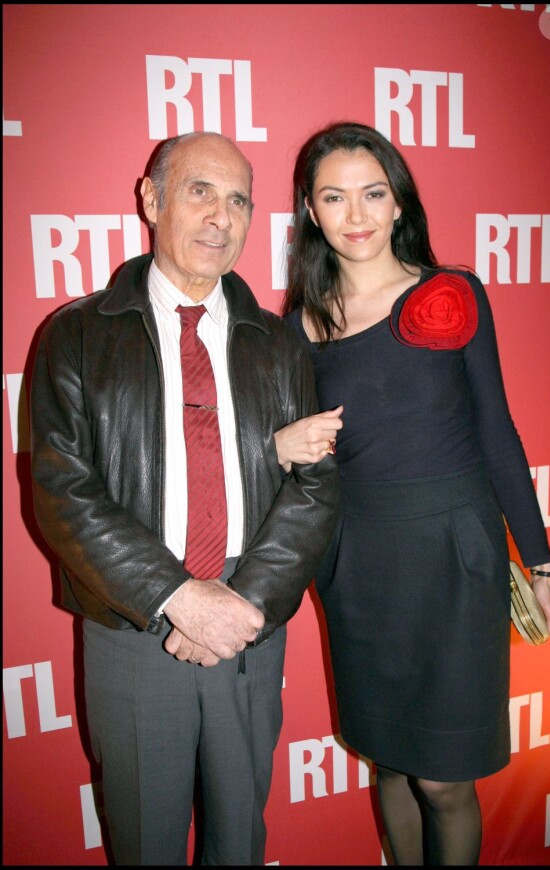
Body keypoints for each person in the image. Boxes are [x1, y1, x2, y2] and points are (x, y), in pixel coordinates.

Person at [30, 131, 341, 866]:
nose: (220, 216)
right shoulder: (77, 335)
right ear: (151, 198)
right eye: (200, 191)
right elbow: (62, 489)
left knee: (241, 838)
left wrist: (245, 602)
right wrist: (177, 596)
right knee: (144, 840)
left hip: (248, 630)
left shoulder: (281, 344)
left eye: (239, 200)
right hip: (134, 621)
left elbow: (315, 485)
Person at [274, 121, 550, 866]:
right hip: (359, 562)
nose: (357, 213)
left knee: (442, 780)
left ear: (400, 202)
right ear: (310, 209)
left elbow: (498, 430)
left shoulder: (451, 294)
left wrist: (542, 560)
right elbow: (287, 460)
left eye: (373, 192)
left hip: (454, 557)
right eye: (335, 197)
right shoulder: (299, 324)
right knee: (391, 760)